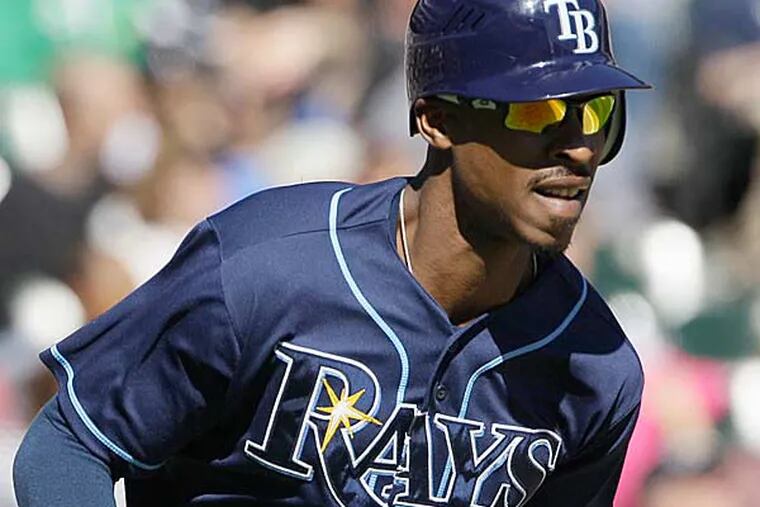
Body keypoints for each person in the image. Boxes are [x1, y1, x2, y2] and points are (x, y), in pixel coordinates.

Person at [13, 0, 651, 505]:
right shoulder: (267, 266)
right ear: (438, 120)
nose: (579, 146)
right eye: (538, 112)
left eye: (596, 111)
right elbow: (69, 443)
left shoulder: (595, 371)